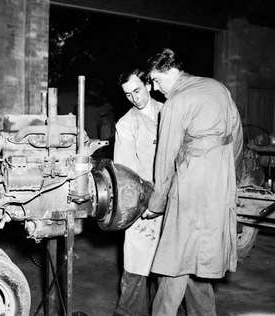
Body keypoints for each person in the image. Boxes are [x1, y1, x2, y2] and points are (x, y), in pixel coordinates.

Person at [142, 48, 243, 316]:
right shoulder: (218, 88)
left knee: (173, 266)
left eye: (155, 80)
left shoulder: (176, 102)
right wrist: (227, 176)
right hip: (220, 184)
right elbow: (237, 138)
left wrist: (157, 202)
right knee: (201, 265)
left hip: (191, 188)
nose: (153, 87)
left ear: (170, 72)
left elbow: (165, 158)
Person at [113, 68, 163, 316]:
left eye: (137, 90)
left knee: (170, 271)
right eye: (128, 94)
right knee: (137, 268)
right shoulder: (126, 124)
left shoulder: (169, 112)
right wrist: (142, 206)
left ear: (149, 85)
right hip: (144, 206)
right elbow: (126, 176)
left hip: (175, 201)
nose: (134, 97)